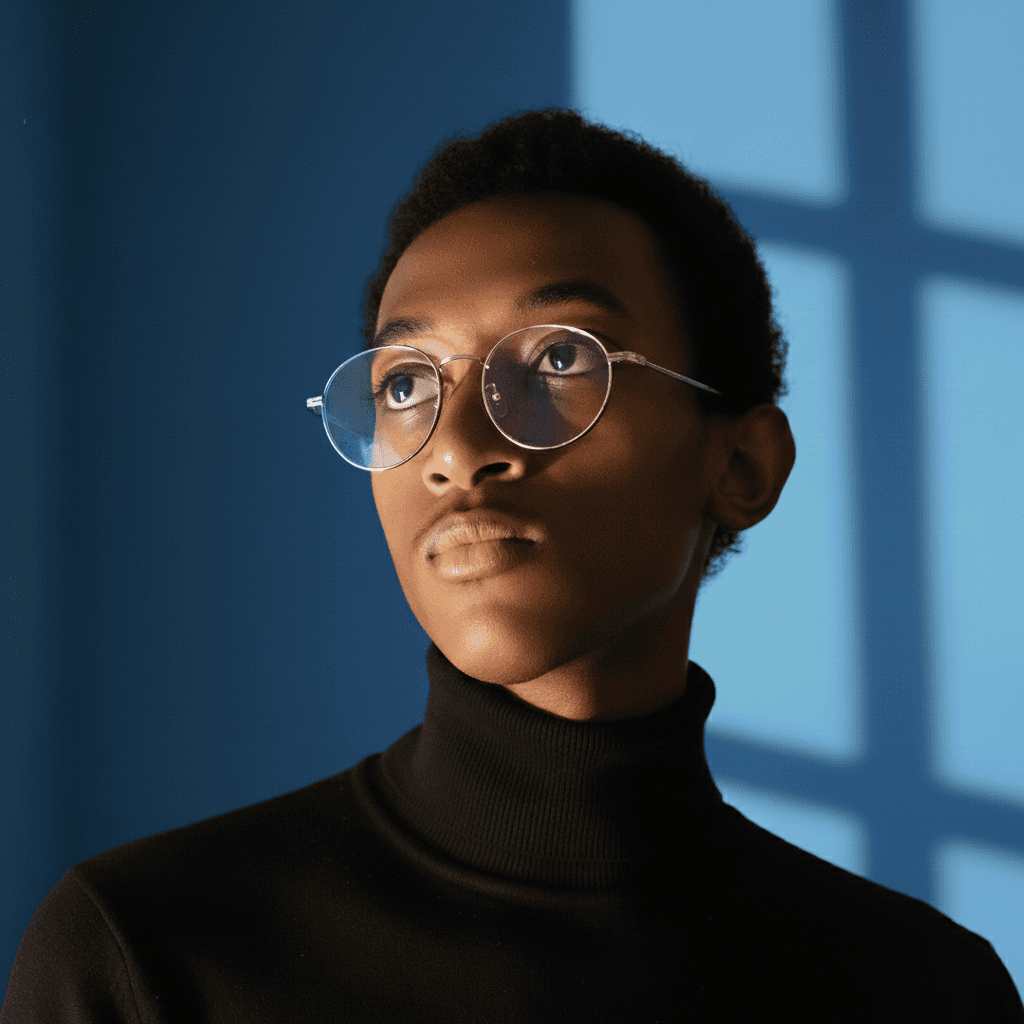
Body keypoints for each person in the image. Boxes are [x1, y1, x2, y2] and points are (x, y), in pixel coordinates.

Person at [3, 108, 1021, 1023]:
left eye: (558, 358)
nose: (453, 442)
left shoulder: (922, 988)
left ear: (741, 463)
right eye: (406, 380)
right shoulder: (145, 953)